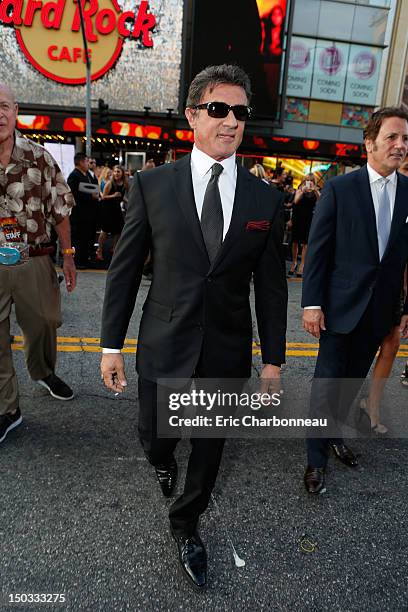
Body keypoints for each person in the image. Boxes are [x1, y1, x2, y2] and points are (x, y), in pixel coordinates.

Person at [100, 64, 287, 589]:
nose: (230, 121)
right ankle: (161, 460)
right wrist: (110, 345)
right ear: (192, 115)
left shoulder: (264, 199)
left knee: (208, 449)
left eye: (240, 113)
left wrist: (272, 361)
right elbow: (124, 270)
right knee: (154, 435)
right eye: (218, 109)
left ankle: (186, 522)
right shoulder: (152, 185)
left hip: (225, 354)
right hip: (163, 343)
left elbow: (272, 290)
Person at [302, 107, 408, 494]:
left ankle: (333, 436)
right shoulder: (340, 189)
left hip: (379, 312)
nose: (400, 145)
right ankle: (315, 461)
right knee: (326, 384)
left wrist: (403, 309)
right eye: (393, 137)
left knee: (350, 383)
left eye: (406, 139)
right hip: (337, 309)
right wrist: (311, 303)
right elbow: (318, 251)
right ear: (369, 143)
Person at [0, 82, 77, 445]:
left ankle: (43, 371)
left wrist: (69, 255)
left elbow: (60, 210)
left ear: (16, 112)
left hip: (34, 259)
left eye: (4, 106)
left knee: (45, 321)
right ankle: (8, 409)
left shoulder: (39, 157)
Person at [67, 153, 99, 269]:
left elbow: (94, 187)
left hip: (89, 213)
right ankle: (79, 261)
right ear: (80, 162)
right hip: (80, 214)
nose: (88, 164)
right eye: (86, 161)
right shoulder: (74, 176)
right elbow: (74, 194)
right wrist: (90, 197)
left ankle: (85, 259)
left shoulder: (87, 175)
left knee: (87, 238)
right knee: (79, 238)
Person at [288, 174, 320, 278]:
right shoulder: (299, 190)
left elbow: (321, 202)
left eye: (311, 180)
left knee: (306, 243)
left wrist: (315, 190)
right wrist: (302, 191)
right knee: (295, 242)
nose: (308, 182)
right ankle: (294, 263)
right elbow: (295, 201)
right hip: (298, 218)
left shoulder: (316, 192)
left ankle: (302, 264)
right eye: (307, 180)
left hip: (309, 219)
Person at [96, 165, 127, 261]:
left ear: (122, 173)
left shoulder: (124, 184)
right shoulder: (110, 183)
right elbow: (103, 197)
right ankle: (99, 250)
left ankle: (114, 249)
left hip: (117, 208)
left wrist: (128, 201)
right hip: (107, 209)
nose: (116, 173)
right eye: (115, 171)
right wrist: (113, 195)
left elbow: (122, 196)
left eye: (118, 172)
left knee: (118, 230)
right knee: (105, 230)